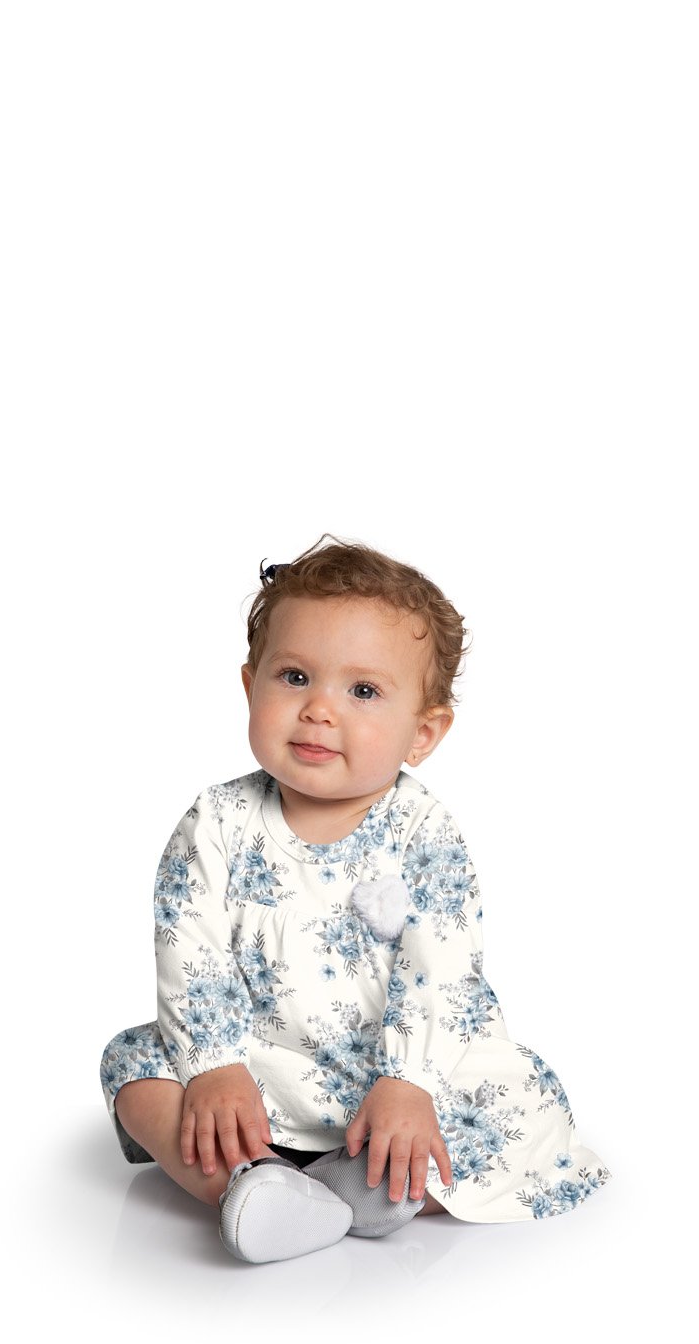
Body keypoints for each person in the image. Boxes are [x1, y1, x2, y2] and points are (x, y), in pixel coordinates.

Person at [99, 536, 608, 1262]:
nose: (318, 710)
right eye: (295, 677)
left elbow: (441, 970)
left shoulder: (421, 830)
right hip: (253, 1071)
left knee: (521, 1112)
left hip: (386, 1078)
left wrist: (409, 1081)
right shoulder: (217, 822)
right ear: (250, 687)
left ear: (422, 733)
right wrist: (213, 1065)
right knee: (133, 1067)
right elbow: (190, 949)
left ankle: (367, 1183)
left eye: (362, 691)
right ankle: (250, 1183)